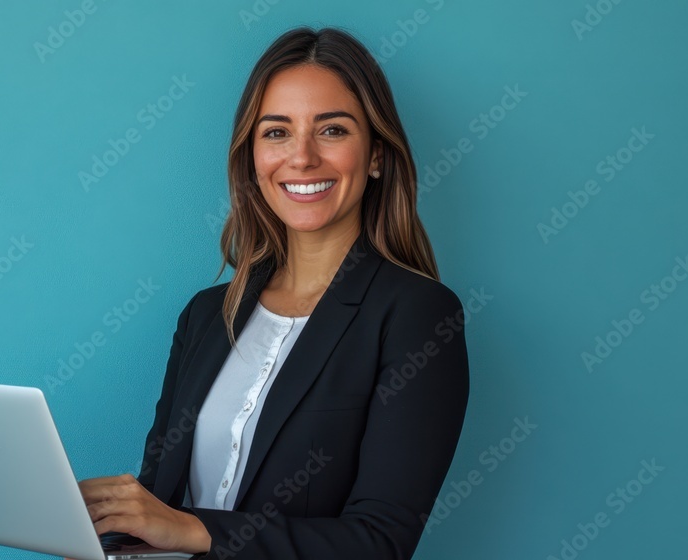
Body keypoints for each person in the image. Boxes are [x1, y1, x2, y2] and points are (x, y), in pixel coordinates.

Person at [70, 26, 470, 559]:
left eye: (331, 130)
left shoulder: (416, 315)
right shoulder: (207, 316)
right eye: (277, 132)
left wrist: (195, 530)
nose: (301, 158)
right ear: (252, 159)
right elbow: (159, 506)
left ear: (376, 155)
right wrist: (110, 540)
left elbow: (380, 543)